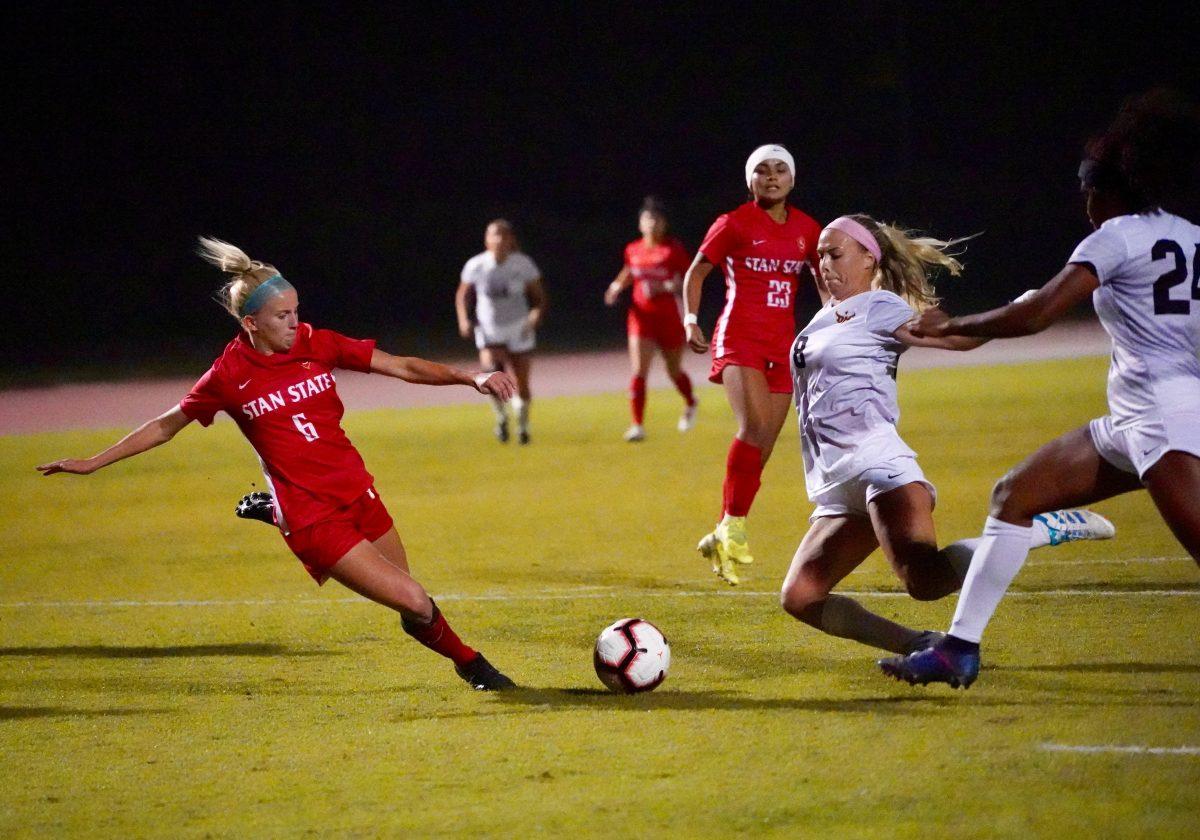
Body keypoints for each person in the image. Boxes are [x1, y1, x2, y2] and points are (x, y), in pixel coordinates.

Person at [38, 237, 519, 691]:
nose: (295, 323)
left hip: (357, 491)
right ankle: (472, 665)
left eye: (296, 311)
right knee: (413, 600)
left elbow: (402, 366)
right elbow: (166, 426)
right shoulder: (228, 376)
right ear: (250, 323)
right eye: (282, 315)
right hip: (312, 516)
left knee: (413, 603)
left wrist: (469, 377)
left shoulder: (316, 342)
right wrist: (94, 462)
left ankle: (271, 509)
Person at [879, 88, 1200, 689]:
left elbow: (1038, 315)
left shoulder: (1115, 236)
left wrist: (951, 322)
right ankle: (958, 649)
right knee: (1014, 496)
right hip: (1143, 418)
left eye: (1089, 191)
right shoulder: (1191, 235)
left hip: (1161, 418)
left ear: (1113, 188)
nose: (1085, 204)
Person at [781, 215, 1115, 655]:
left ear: (868, 257)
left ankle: (1042, 529)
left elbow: (955, 338)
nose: (823, 262)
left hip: (876, 465)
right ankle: (922, 645)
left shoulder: (882, 307)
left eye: (835, 253)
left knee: (925, 581)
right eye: (820, 254)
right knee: (801, 596)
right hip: (834, 483)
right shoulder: (827, 316)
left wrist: (1024, 307)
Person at [683, 144, 823, 583]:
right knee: (754, 427)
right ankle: (735, 531)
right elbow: (696, 273)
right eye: (761, 170)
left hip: (783, 344)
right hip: (738, 337)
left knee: (762, 447)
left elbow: (825, 279)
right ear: (750, 181)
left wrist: (842, 319)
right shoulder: (734, 223)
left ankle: (723, 529)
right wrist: (690, 319)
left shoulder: (807, 229)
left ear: (793, 179)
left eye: (780, 169)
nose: (771, 176)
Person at [604, 196, 698, 442]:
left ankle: (690, 401)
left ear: (664, 223)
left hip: (667, 318)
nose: (652, 224)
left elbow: (686, 281)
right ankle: (637, 425)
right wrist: (616, 286)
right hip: (641, 318)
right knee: (639, 372)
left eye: (657, 219)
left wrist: (666, 287)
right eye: (648, 219)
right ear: (640, 224)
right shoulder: (633, 249)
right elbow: (629, 271)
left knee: (673, 370)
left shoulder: (672, 250)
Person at [455, 219, 547, 445]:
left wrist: (536, 314)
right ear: (486, 240)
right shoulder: (476, 265)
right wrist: (464, 319)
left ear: (511, 240)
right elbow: (462, 295)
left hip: (518, 327)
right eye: (494, 235)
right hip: (489, 329)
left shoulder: (522, 264)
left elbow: (539, 298)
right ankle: (501, 417)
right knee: (491, 375)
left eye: (503, 235)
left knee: (522, 382)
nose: (499, 239)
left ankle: (523, 425)